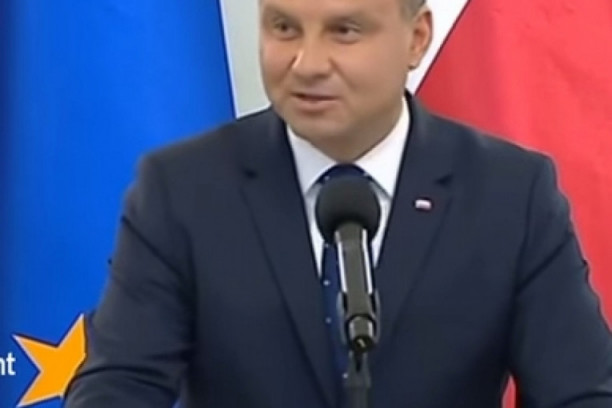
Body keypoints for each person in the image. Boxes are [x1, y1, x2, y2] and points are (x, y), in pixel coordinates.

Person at [64, 0, 612, 406]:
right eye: (284, 27)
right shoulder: (182, 190)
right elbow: (120, 384)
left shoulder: (510, 195)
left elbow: (581, 393)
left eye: (344, 31)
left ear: (417, 37)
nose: (306, 63)